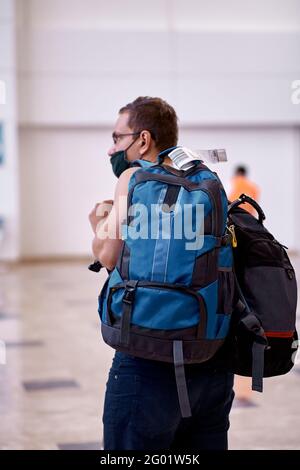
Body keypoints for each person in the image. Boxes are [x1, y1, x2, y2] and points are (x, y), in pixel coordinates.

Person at [88, 97, 235, 451]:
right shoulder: (206, 179)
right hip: (210, 355)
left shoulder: (131, 178)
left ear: (143, 139)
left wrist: (97, 224)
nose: (112, 148)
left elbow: (109, 255)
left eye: (118, 137)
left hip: (147, 357)